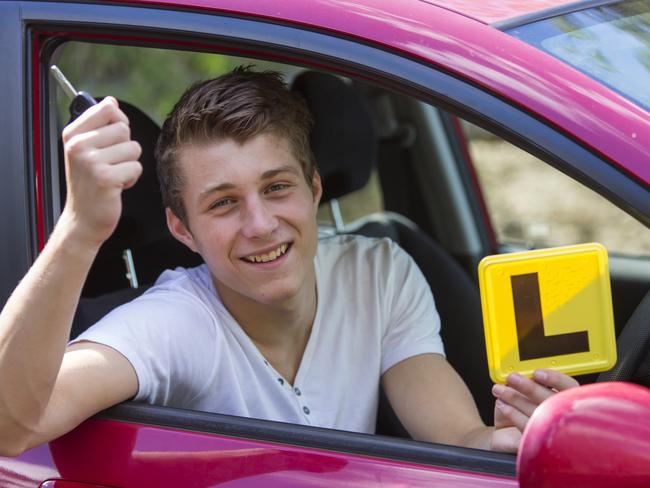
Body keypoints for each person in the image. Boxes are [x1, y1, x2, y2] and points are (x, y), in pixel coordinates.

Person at [0, 67, 577, 457]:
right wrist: (81, 231)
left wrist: (509, 441)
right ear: (183, 230)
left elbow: (455, 437)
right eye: (223, 203)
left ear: (314, 188)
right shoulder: (173, 322)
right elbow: (11, 425)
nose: (260, 224)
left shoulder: (380, 273)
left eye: (277, 188)